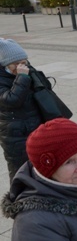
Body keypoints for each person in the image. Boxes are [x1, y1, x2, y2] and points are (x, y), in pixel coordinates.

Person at [0, 39, 41, 179]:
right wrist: (22, 77)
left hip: (33, 126)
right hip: (13, 134)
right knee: (20, 172)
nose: (22, 66)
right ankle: (17, 200)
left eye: (24, 63)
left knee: (39, 169)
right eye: (17, 64)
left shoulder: (24, 71)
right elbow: (11, 100)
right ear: (6, 64)